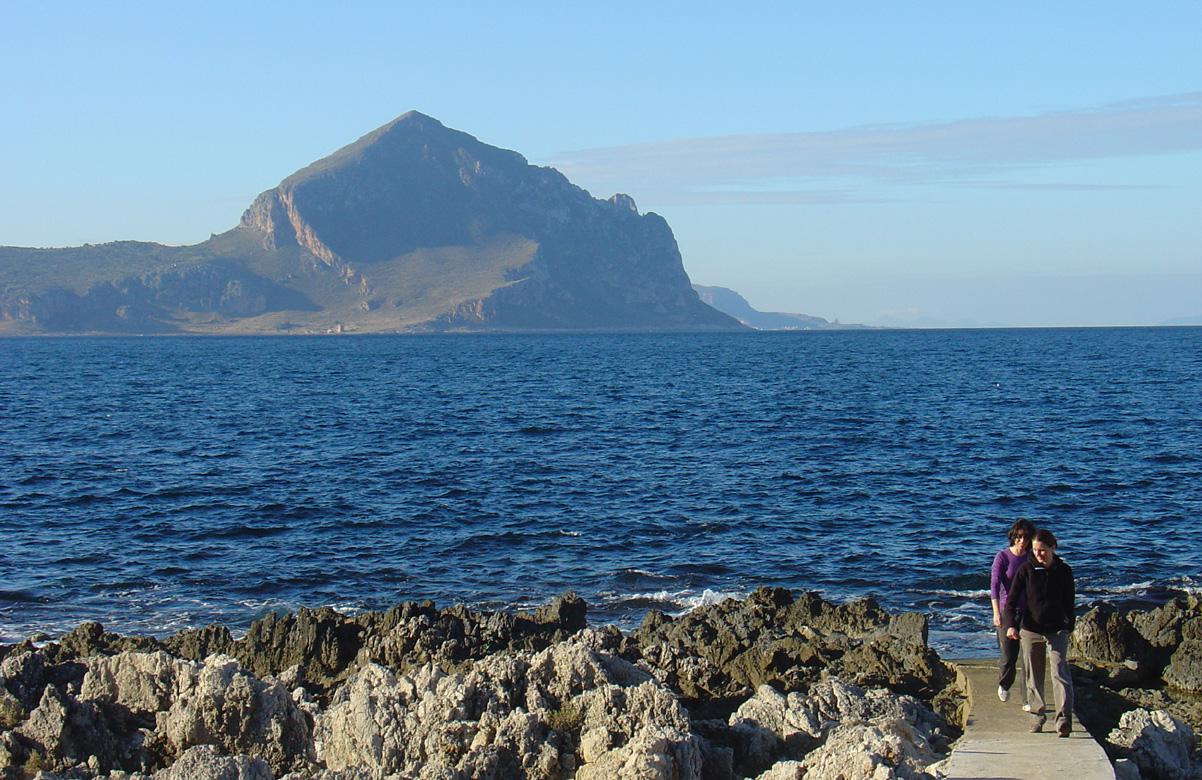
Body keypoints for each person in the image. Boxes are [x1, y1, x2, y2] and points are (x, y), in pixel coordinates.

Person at [1005, 528, 1076, 736]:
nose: (1038, 554)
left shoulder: (1064, 570)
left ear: (1052, 547)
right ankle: (1037, 716)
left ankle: (1063, 720)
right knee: (1034, 675)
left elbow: (1069, 601)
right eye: (1035, 550)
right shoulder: (1026, 570)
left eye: (1042, 550)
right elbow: (1011, 601)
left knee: (1060, 672)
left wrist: (1069, 625)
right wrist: (1011, 624)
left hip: (1057, 629)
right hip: (1031, 628)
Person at [990, 519, 1035, 705]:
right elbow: (994, 585)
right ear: (1013, 537)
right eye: (1018, 537)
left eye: (1025, 537)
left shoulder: (1031, 557)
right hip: (1006, 610)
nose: (1022, 541)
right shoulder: (1003, 557)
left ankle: (1026, 699)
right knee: (1009, 656)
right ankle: (1004, 684)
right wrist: (996, 613)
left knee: (1027, 657)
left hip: (1027, 612)